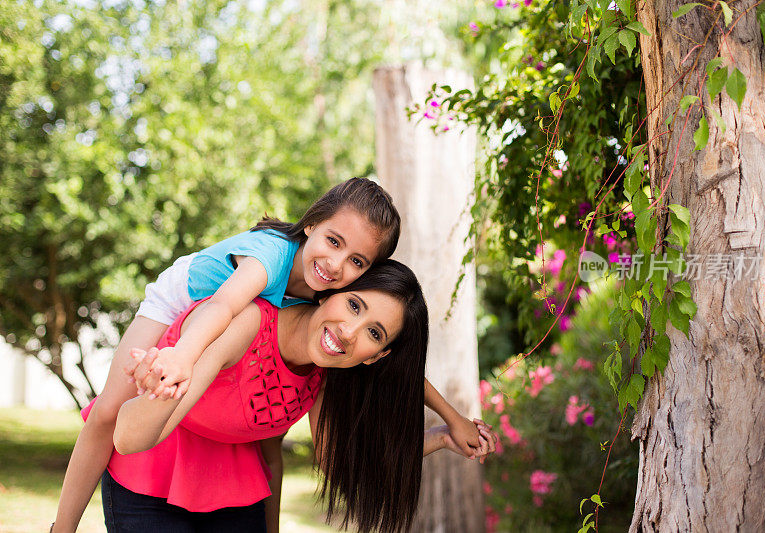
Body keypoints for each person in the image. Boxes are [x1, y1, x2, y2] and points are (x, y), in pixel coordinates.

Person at [53, 178, 483, 532]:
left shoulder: (323, 308)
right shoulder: (271, 256)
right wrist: (181, 357)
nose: (335, 265)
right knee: (109, 410)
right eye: (333, 241)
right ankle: (62, 527)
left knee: (270, 446)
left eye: (355, 261)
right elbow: (221, 307)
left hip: (230, 342)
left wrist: (450, 424)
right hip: (186, 297)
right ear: (311, 224)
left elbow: (402, 373)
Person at [105, 260, 496, 532]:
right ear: (330, 293)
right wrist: (160, 384)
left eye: (374, 333)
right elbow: (127, 438)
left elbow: (340, 462)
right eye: (354, 304)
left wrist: (443, 433)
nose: (348, 331)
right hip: (152, 478)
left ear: (376, 356)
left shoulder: (323, 376)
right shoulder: (247, 324)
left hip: (232, 485)